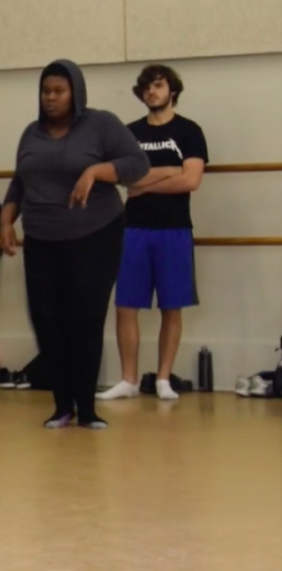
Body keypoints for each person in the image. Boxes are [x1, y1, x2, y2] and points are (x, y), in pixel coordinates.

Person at [0, 59, 149, 430]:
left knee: (83, 321)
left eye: (59, 91)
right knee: (46, 321)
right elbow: (21, 180)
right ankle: (61, 405)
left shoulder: (101, 125)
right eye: (45, 91)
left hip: (94, 236)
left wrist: (97, 171)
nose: (51, 98)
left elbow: (138, 163)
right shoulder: (31, 133)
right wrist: (5, 219)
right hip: (42, 238)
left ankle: (86, 408)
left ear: (75, 93)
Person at [100, 64, 208, 401]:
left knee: (171, 307)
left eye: (158, 85)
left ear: (172, 90)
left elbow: (190, 179)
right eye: (146, 86)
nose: (151, 91)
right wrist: (167, 172)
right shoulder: (128, 133)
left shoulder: (190, 131)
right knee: (125, 305)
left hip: (174, 229)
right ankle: (128, 379)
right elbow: (124, 178)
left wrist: (146, 180)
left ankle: (163, 378)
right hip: (133, 229)